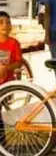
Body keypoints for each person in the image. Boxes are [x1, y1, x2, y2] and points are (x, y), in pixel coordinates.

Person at [0, 12, 23, 144]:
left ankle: (3, 143)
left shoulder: (13, 43)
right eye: (1, 22)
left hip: (6, 85)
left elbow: (19, 62)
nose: (5, 25)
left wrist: (7, 68)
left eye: (8, 22)